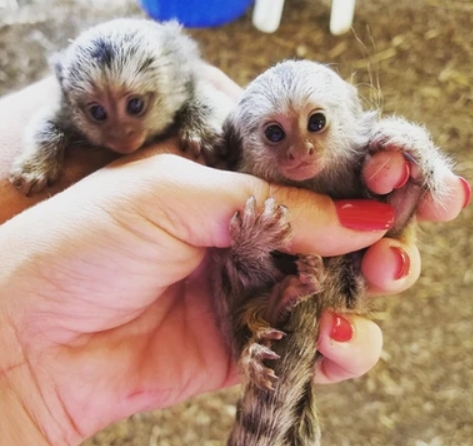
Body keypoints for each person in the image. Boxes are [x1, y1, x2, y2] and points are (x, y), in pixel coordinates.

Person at [0, 65, 469, 446]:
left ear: (349, 113)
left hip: (331, 285)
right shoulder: (237, 195)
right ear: (241, 150)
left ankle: (282, 308)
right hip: (260, 304)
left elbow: (397, 203)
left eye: (317, 123)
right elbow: (238, 270)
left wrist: (416, 157)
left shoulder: (371, 154)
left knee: (390, 196)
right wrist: (249, 247)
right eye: (273, 135)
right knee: (245, 250)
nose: (300, 148)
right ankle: (275, 311)